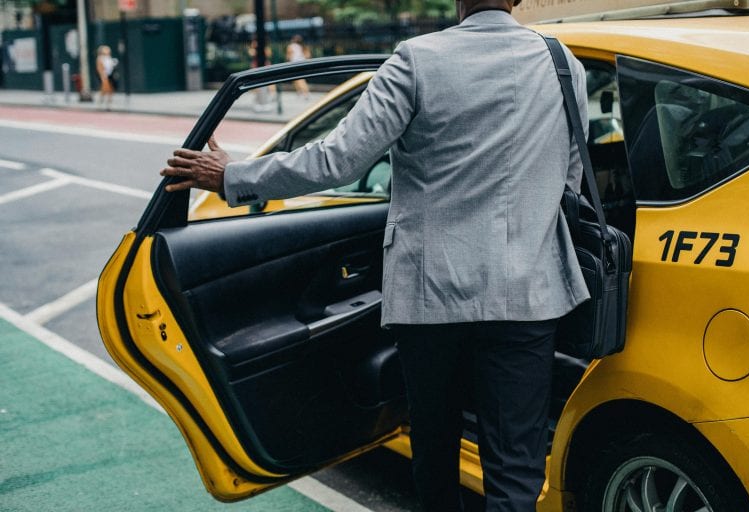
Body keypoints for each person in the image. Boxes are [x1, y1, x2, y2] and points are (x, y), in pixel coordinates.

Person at [161, 1, 589, 510]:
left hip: (433, 299)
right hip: (528, 293)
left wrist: (232, 176)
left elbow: (338, 159)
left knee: (434, 447)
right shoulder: (563, 63)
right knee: (515, 464)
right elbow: (570, 178)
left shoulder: (416, 59)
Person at [286, 34, 311, 98]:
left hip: (295, 64)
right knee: (298, 79)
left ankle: (305, 93)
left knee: (299, 79)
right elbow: (308, 56)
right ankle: (300, 92)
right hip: (302, 63)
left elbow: (288, 57)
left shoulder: (291, 46)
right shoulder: (303, 46)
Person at [95, 45, 117, 110]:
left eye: (108, 50)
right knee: (105, 89)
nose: (108, 51)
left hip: (110, 75)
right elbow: (99, 68)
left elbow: (111, 67)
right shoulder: (100, 58)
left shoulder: (109, 58)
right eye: (106, 50)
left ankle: (108, 104)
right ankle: (100, 103)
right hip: (104, 76)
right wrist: (102, 76)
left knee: (111, 89)